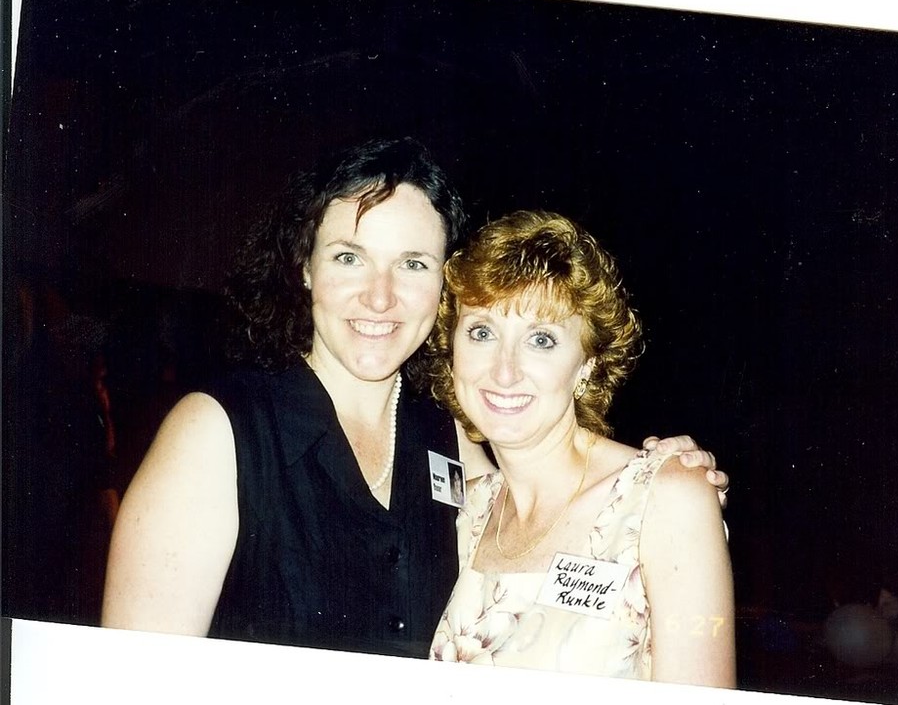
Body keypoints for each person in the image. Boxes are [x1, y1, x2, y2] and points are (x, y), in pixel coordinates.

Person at [102, 137, 728, 659]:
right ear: (304, 267)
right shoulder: (215, 434)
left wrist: (670, 481)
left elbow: (565, 510)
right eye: (349, 257)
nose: (380, 297)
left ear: (445, 286)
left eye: (412, 264)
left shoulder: (453, 432)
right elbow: (130, 683)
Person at [426, 211, 735, 686]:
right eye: (482, 333)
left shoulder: (664, 498)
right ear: (452, 351)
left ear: (587, 364)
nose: (504, 370)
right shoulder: (469, 512)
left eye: (541, 339)